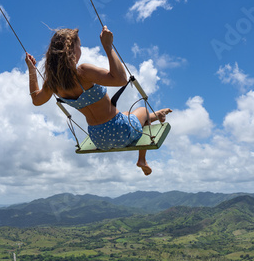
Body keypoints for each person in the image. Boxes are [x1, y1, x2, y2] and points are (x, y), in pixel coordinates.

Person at [25, 26, 171, 175]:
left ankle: (157, 116)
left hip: (98, 138)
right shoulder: (82, 72)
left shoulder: (53, 83)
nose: (81, 49)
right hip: (120, 130)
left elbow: (36, 100)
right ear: (72, 50)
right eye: (79, 46)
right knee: (143, 111)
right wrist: (108, 47)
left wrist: (32, 70)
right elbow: (121, 79)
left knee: (127, 114)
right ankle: (142, 159)